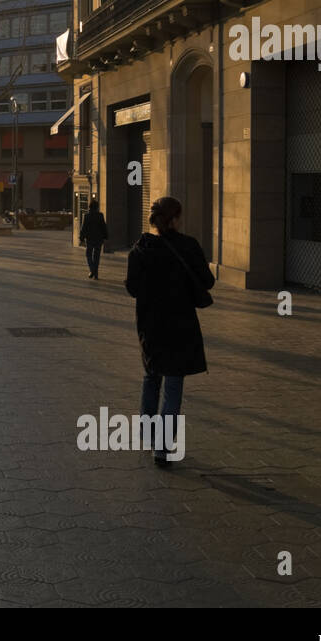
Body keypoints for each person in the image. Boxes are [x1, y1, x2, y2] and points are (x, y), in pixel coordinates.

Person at [125, 196, 214, 467]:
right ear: (174, 219)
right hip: (180, 325)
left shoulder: (140, 249)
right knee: (173, 387)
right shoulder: (188, 246)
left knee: (151, 377)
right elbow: (207, 281)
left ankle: (148, 434)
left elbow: (132, 288)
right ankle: (163, 450)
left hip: (150, 325)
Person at [79, 199, 108, 279]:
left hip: (90, 239)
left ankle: (92, 270)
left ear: (90, 207)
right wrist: (106, 236)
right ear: (97, 207)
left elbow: (83, 228)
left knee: (88, 254)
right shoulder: (100, 215)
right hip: (99, 239)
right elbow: (103, 226)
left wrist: (81, 238)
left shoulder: (87, 216)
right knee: (96, 256)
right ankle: (96, 274)